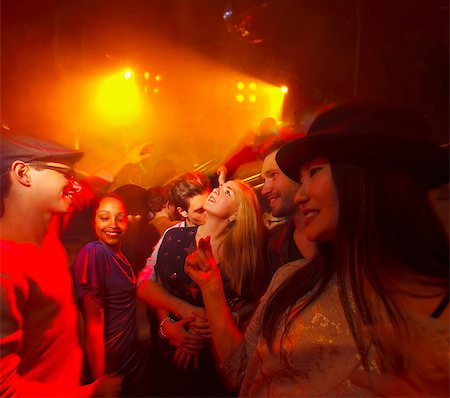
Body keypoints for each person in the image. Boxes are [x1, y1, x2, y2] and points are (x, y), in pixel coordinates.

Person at [184, 102, 449, 397]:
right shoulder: (291, 281)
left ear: (366, 175)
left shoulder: (440, 320)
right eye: (301, 177)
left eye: (315, 172)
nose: (300, 195)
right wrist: (210, 286)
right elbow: (237, 372)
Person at [0, 131, 121, 396]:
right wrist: (91, 395)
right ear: (22, 173)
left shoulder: (47, 227)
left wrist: (127, 159)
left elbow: (90, 188)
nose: (75, 184)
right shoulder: (5, 270)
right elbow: (4, 389)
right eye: (66, 175)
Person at [138, 180, 266, 397]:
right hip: (171, 353)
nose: (217, 189)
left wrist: (233, 317)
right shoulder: (173, 236)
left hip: (216, 361)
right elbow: (152, 284)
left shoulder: (245, 254)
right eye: (220, 186)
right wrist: (168, 325)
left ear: (236, 214)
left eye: (227, 192)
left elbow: (259, 300)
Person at [72, 194, 148, 397]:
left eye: (119, 218)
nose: (113, 224)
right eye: (104, 217)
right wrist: (99, 382)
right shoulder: (94, 252)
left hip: (130, 358)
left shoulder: (121, 256)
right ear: (93, 221)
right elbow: (93, 323)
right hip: (111, 363)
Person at [260, 141, 316, 285]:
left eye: (273, 175)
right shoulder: (275, 245)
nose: (264, 190)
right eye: (264, 180)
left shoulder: (341, 234)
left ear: (298, 174)